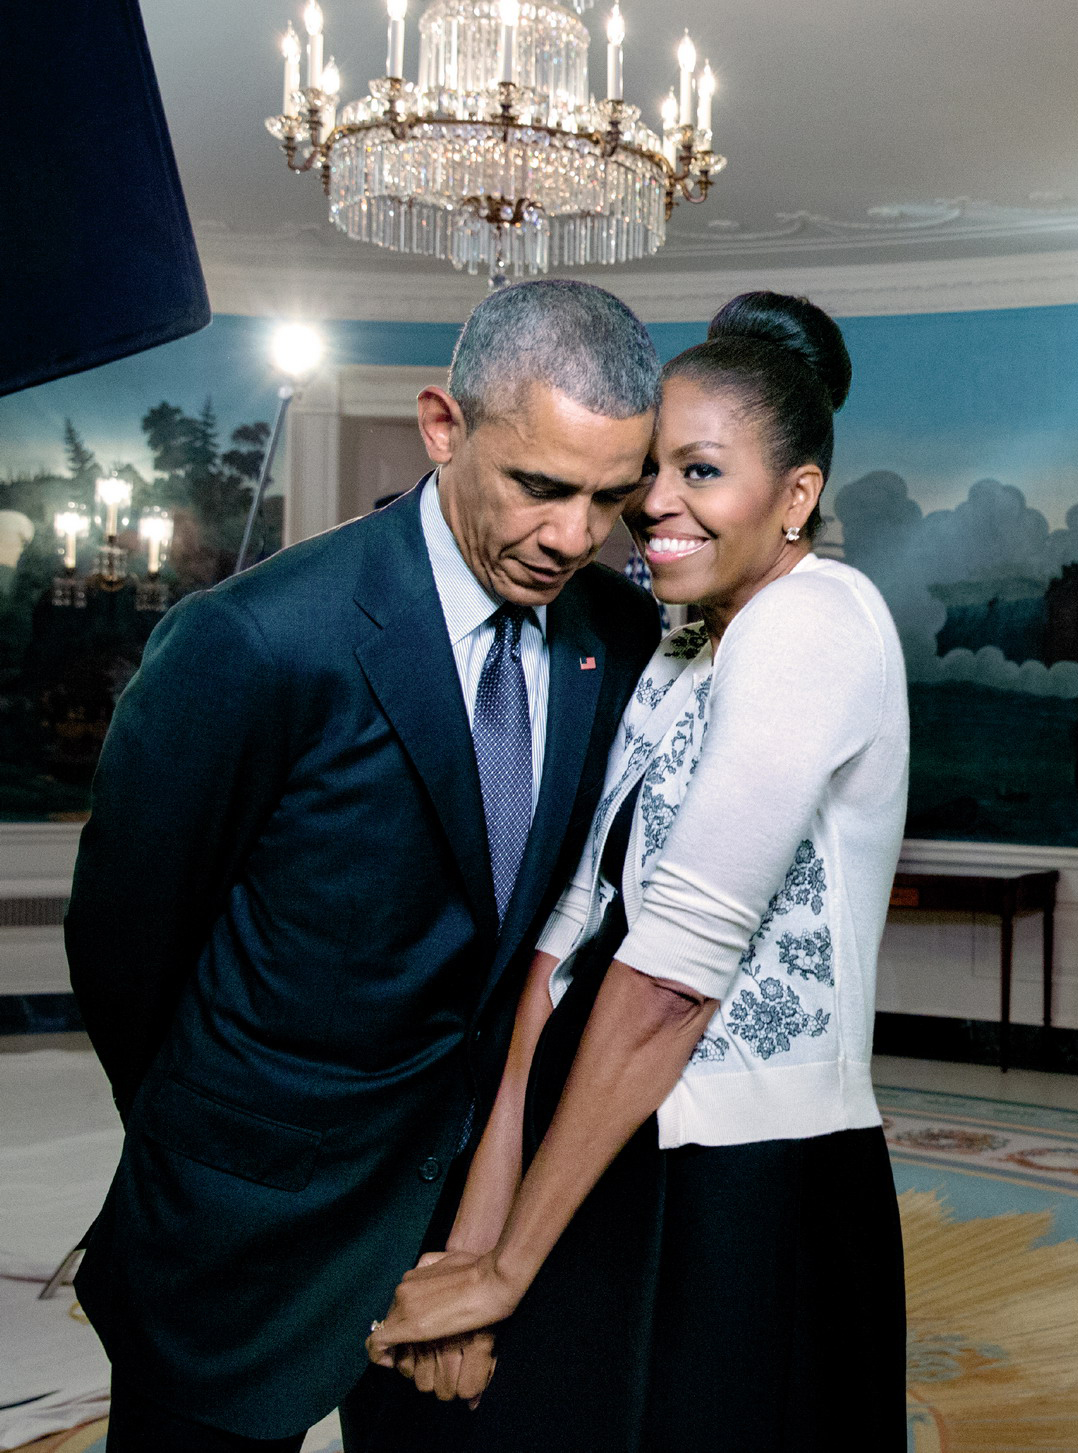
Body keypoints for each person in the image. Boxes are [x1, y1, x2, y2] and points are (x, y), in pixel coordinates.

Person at [65, 279, 666, 1452]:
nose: (573, 536)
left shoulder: (615, 635)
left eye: (610, 496)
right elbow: (125, 943)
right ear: (444, 426)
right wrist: (226, 1138)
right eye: (540, 486)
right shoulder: (256, 639)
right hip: (241, 1229)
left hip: (464, 1234)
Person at [355, 292, 910, 1451]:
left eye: (701, 472)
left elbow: (671, 974)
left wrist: (506, 1268)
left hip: (745, 1179)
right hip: (600, 1132)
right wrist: (478, 1240)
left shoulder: (817, 620)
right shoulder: (680, 639)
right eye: (648, 471)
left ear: (795, 496)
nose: (652, 503)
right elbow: (558, 958)